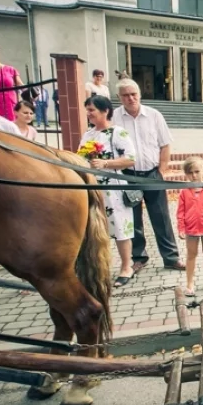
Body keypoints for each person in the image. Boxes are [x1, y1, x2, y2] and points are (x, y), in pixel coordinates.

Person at [111, 78, 184, 272]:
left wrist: (161, 170)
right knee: (132, 219)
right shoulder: (114, 118)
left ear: (140, 94)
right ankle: (139, 257)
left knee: (161, 218)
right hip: (127, 176)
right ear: (119, 97)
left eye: (133, 94)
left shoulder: (154, 115)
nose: (130, 98)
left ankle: (171, 258)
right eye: (125, 95)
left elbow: (165, 144)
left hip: (152, 173)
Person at [79, 96, 136, 287]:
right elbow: (80, 156)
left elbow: (130, 159)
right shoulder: (88, 135)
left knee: (120, 227)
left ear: (105, 111)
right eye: (87, 110)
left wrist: (106, 163)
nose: (89, 114)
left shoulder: (117, 133)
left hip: (114, 187)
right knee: (95, 228)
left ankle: (127, 266)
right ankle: (99, 268)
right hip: (93, 186)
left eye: (92, 110)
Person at [176, 156, 203, 296]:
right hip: (191, 229)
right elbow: (180, 212)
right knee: (191, 255)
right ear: (186, 174)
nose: (194, 175)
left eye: (197, 171)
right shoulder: (184, 191)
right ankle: (189, 283)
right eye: (190, 173)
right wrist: (181, 228)